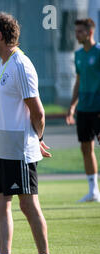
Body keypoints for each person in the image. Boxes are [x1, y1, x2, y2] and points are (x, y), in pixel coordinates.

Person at [0, 13, 54, 254]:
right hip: (1, 148)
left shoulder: (20, 65)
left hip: (18, 148)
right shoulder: (3, 63)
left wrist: (37, 140)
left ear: (0, 35)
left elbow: (38, 113)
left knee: (28, 204)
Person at [66, 18, 100, 203]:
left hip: (98, 107)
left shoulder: (99, 52)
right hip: (84, 109)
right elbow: (78, 81)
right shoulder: (78, 54)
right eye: (76, 31)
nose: (77, 34)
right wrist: (72, 107)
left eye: (80, 31)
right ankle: (93, 191)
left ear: (90, 32)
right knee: (86, 148)